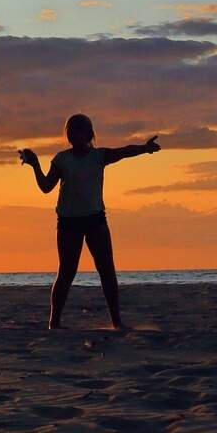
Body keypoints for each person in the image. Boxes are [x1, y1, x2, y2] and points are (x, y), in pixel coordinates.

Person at [19, 114, 159, 330]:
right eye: (71, 131)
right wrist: (35, 164)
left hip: (95, 219)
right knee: (66, 271)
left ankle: (116, 321)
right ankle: (54, 322)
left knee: (106, 270)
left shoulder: (99, 156)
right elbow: (46, 187)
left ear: (90, 134)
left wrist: (145, 148)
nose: (75, 134)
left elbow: (124, 152)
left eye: (80, 130)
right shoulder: (61, 160)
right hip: (68, 222)